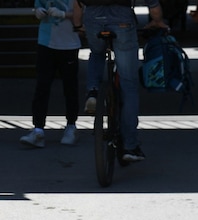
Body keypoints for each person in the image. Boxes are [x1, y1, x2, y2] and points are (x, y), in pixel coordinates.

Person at [78, 0, 167, 161]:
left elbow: (76, 3)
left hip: (93, 20)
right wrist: (157, 20)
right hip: (122, 22)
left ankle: (93, 92)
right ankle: (130, 147)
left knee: (97, 53)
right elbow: (153, 5)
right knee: (129, 86)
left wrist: (78, 25)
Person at [20, 0, 83, 148]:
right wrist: (38, 11)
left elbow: (83, 14)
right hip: (46, 42)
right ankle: (38, 130)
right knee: (42, 86)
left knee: (70, 87)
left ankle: (71, 126)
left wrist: (64, 14)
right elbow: (38, 5)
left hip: (69, 43)